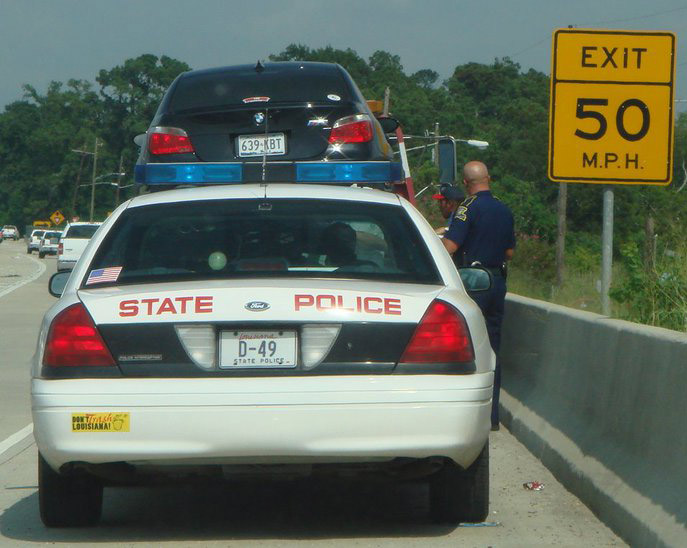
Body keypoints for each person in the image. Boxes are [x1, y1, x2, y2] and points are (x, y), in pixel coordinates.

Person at [441, 161, 515, 431]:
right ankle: (492, 417)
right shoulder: (504, 209)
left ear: (465, 183)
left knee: (468, 348)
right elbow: (509, 253)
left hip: (473, 284)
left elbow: (450, 246)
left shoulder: (466, 209)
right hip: (497, 282)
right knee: (494, 348)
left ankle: (467, 416)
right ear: (489, 178)